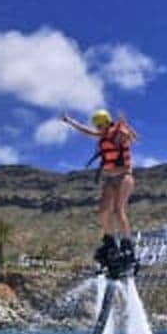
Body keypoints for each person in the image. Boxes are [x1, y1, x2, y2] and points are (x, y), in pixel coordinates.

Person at [62, 109, 138, 265]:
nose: (98, 129)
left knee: (118, 209)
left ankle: (127, 244)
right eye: (97, 126)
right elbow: (86, 132)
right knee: (103, 212)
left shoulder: (119, 133)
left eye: (101, 125)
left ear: (107, 122)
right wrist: (70, 122)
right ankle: (110, 242)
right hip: (110, 178)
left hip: (124, 176)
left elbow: (133, 138)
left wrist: (126, 126)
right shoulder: (101, 135)